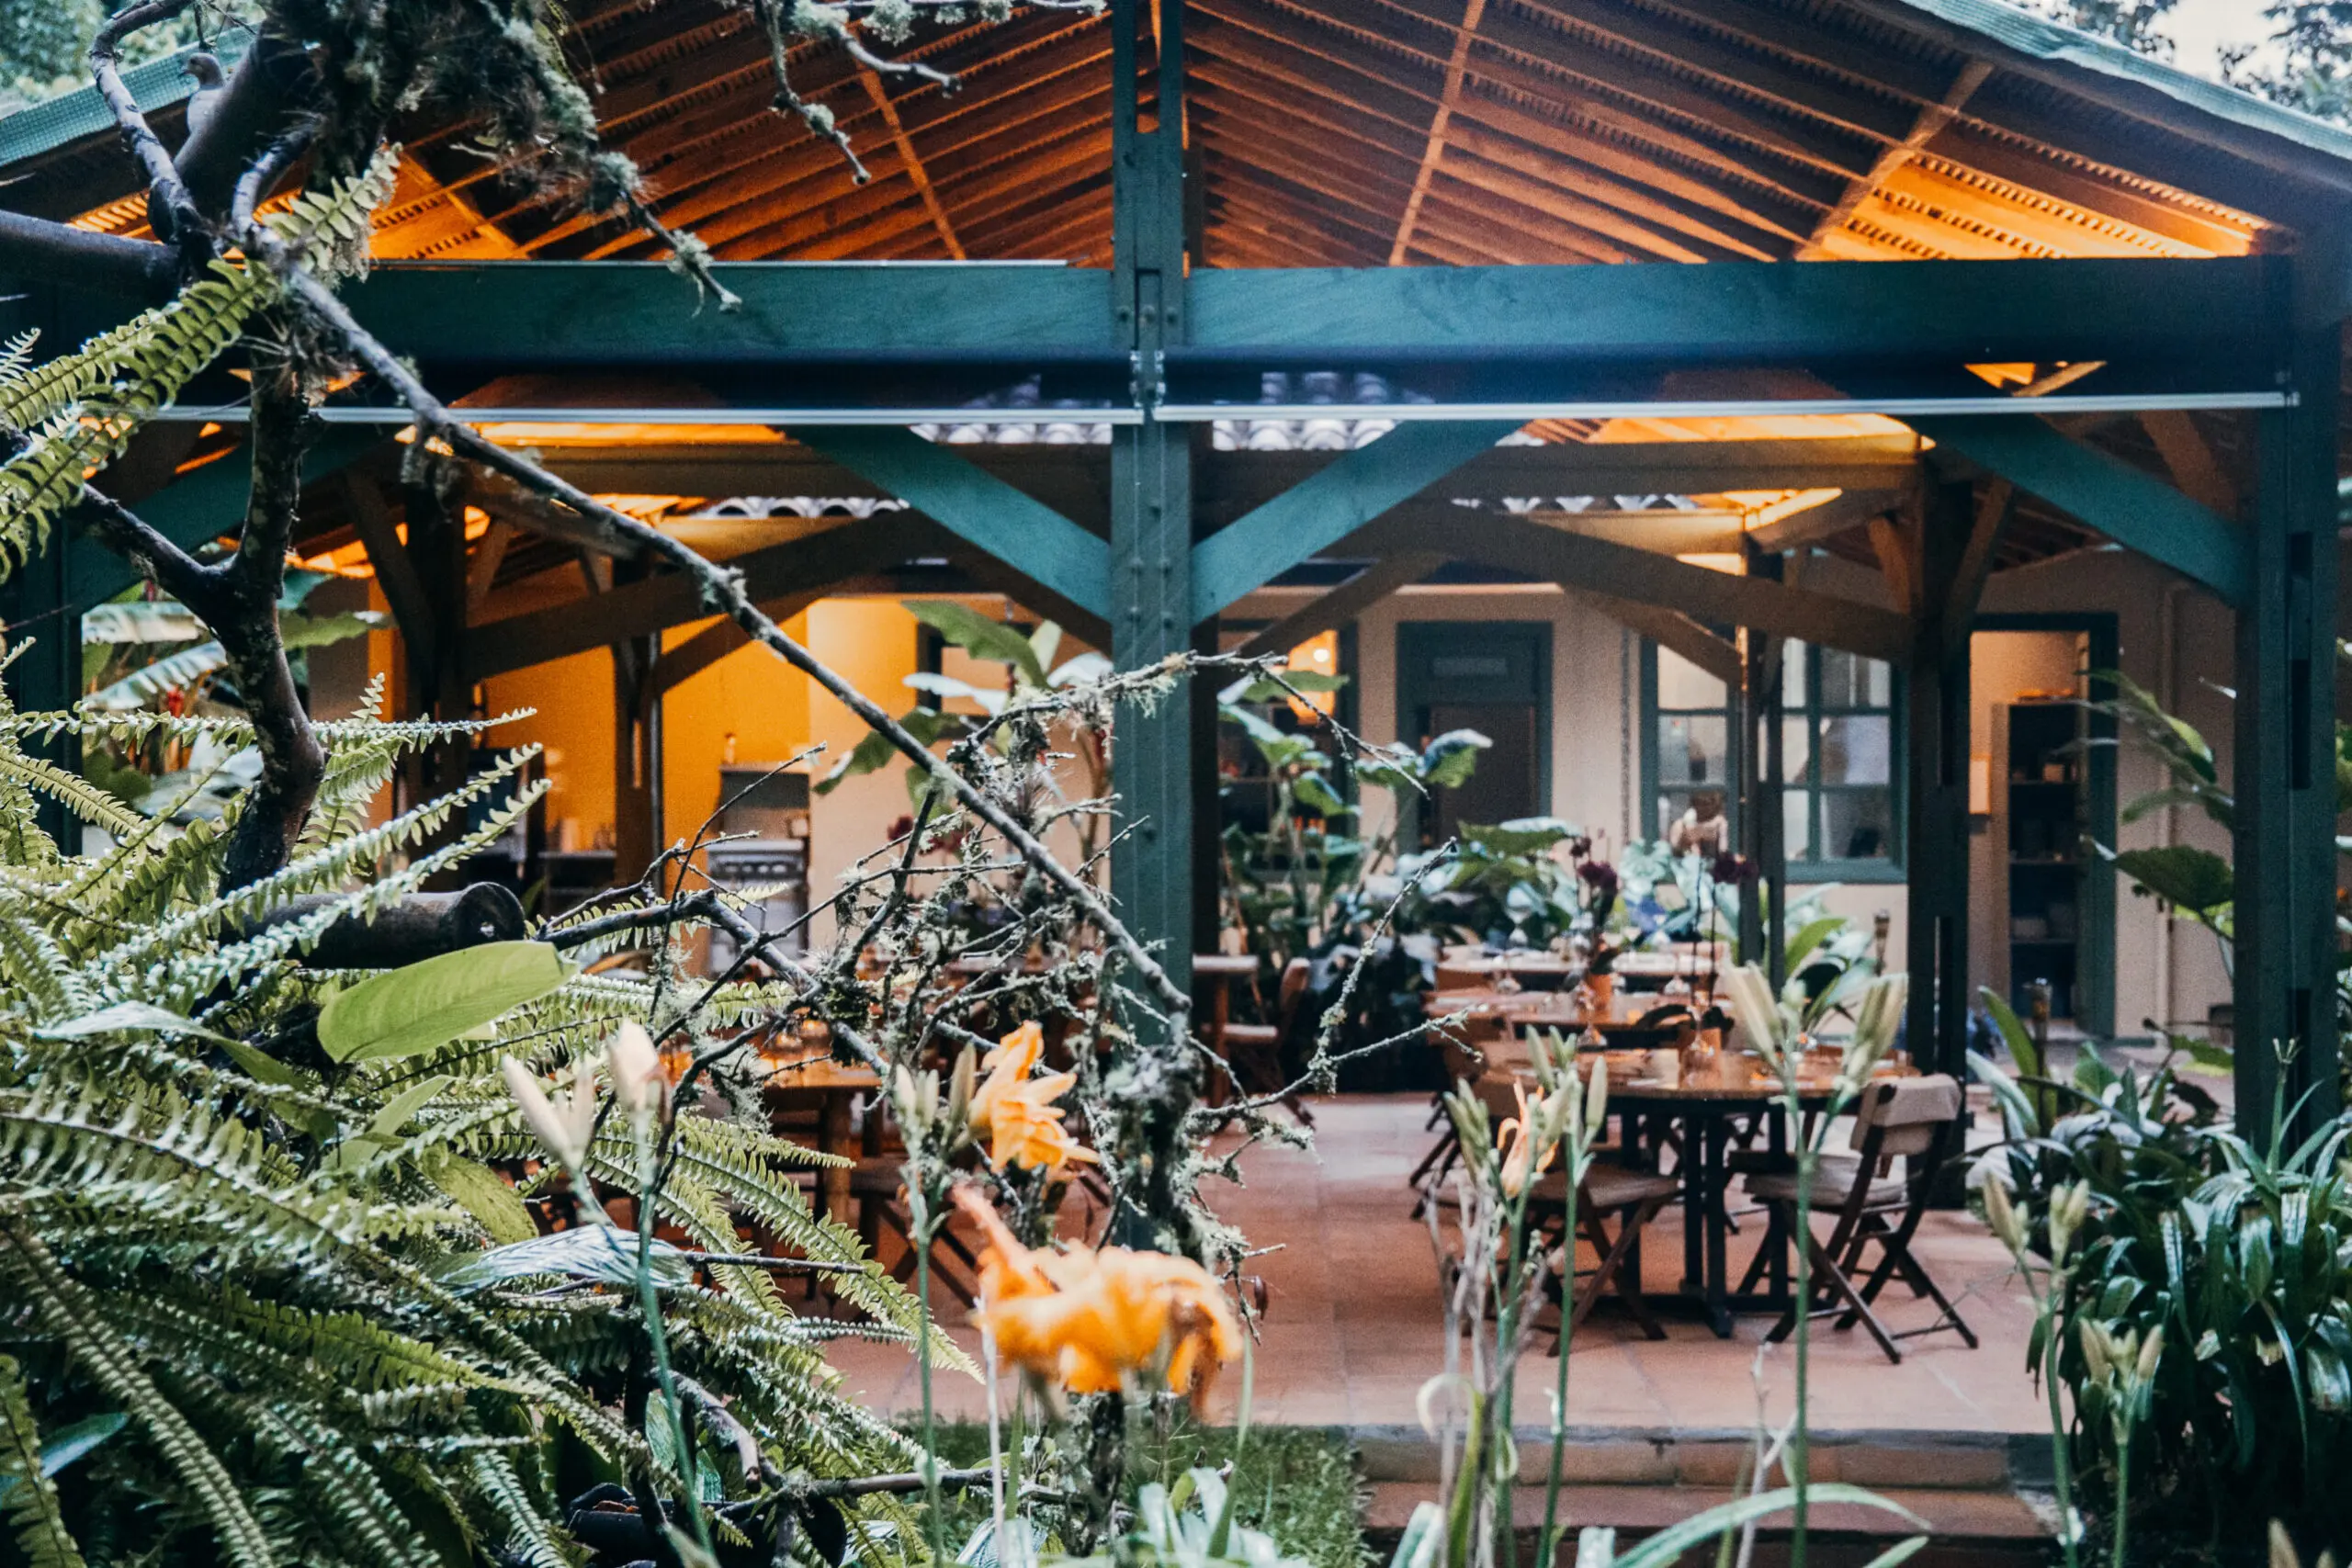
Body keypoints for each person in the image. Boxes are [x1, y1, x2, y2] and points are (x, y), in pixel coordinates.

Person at [1668, 789, 1731, 858]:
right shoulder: (1681, 823)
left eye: (1706, 804)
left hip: (1712, 860)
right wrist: (1685, 838)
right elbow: (1674, 847)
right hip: (1686, 858)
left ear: (1713, 805)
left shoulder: (1719, 822)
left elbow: (1723, 849)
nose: (1701, 808)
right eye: (1698, 804)